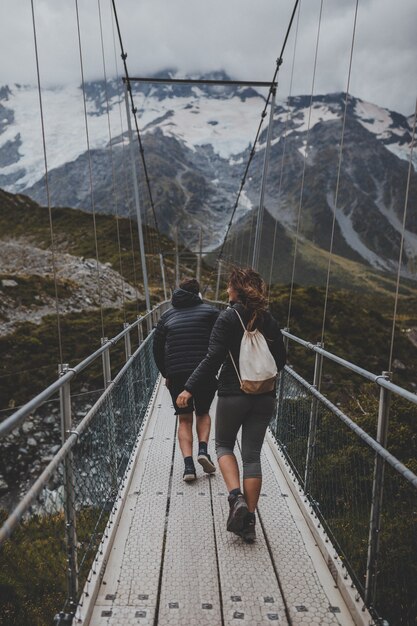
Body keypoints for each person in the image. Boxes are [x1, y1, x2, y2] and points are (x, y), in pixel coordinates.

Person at [177, 267, 286, 542]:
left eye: (229, 287)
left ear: (237, 289)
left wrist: (189, 388)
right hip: (264, 396)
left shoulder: (227, 317)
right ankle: (248, 521)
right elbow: (281, 361)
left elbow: (212, 358)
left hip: (232, 392)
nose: (226, 291)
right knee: (252, 456)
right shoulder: (268, 319)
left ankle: (235, 497)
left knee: (224, 445)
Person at [153, 277, 219, 482]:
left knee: (184, 418)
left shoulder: (166, 316)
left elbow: (156, 349)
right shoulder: (211, 312)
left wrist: (167, 374)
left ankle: (188, 467)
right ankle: (203, 450)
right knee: (203, 412)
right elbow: (220, 342)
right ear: (198, 293)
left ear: (178, 292)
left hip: (178, 373)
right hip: (204, 372)